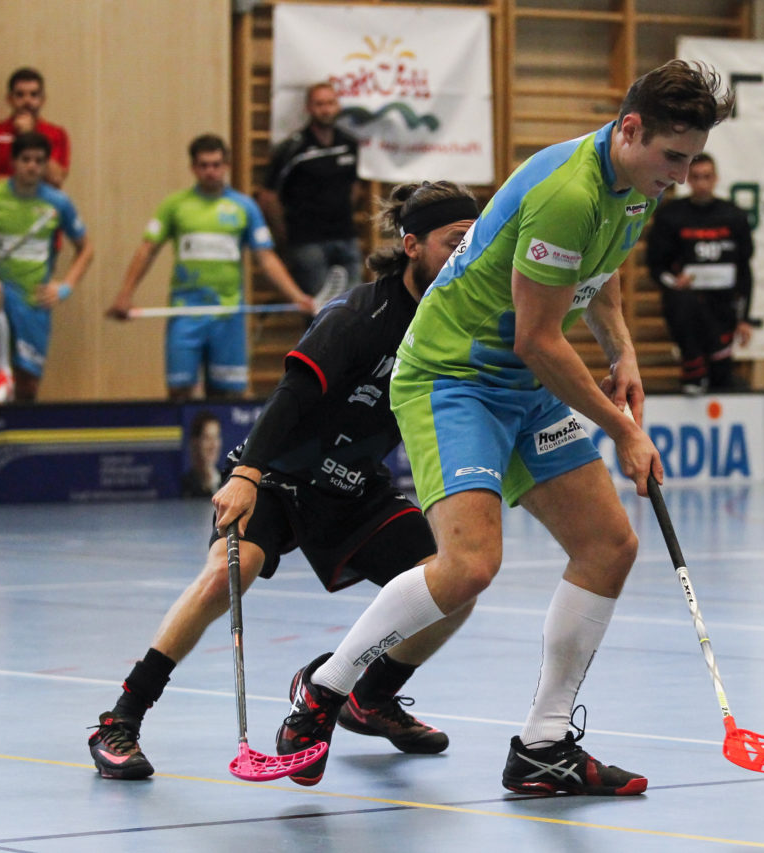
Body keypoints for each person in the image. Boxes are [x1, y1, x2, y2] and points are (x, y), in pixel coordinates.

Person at [274, 60, 733, 796]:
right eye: (671, 157)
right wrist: (622, 429)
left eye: (690, 160)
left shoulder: (633, 187)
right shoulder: (565, 192)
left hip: (521, 385)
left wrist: (624, 353)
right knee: (468, 565)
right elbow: (539, 341)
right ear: (631, 129)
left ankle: (543, 745)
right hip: (453, 378)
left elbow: (603, 272)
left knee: (607, 544)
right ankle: (323, 690)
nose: (677, 175)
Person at [87, 180, 480, 781]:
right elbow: (293, 395)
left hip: (352, 486)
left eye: (471, 242)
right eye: (454, 242)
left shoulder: (458, 320)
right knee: (224, 574)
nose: (465, 254)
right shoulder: (357, 315)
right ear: (410, 245)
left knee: (457, 583)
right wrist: (246, 474)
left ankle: (367, 698)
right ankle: (121, 718)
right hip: (277, 476)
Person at [105, 135, 313, 402]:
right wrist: (125, 294)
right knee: (179, 392)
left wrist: (296, 296)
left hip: (228, 316)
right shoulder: (175, 206)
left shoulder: (244, 207)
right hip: (184, 312)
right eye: (203, 165)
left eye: (216, 164)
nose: (210, 171)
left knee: (229, 395)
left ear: (225, 165)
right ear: (193, 167)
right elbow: (147, 250)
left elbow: (266, 258)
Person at [0, 131, 93, 404]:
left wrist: (65, 287)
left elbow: (86, 249)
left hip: (34, 298)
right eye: (26, 159)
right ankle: (1, 374)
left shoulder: (58, 202)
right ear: (13, 162)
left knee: (28, 386)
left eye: (39, 160)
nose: (32, 166)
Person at [644, 152, 753, 394]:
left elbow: (744, 270)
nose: (702, 183)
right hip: (686, 305)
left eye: (707, 177)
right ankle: (693, 367)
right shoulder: (671, 215)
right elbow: (655, 265)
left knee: (722, 377)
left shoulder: (734, 216)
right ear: (688, 179)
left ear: (716, 178)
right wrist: (675, 282)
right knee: (695, 377)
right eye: (696, 177)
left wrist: (744, 318)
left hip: (723, 306)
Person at [257, 83, 364, 306]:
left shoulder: (349, 144)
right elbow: (268, 197)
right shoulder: (293, 149)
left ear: (338, 106)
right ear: (309, 108)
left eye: (330, 103)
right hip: (308, 242)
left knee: (356, 307)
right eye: (319, 104)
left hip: (345, 235)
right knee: (321, 310)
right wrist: (284, 234)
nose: (325, 109)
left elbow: (355, 187)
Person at [0, 67, 71, 188]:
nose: (27, 100)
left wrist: (30, 135)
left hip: (43, 205)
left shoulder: (57, 134)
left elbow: (56, 178)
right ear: (9, 99)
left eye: (34, 95)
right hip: (4, 204)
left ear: (43, 100)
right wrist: (29, 181)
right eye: (20, 95)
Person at [180, 410, 222, 497]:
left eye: (216, 437)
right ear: (195, 442)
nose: (213, 445)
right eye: (207, 438)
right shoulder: (183, 485)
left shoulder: (228, 481)